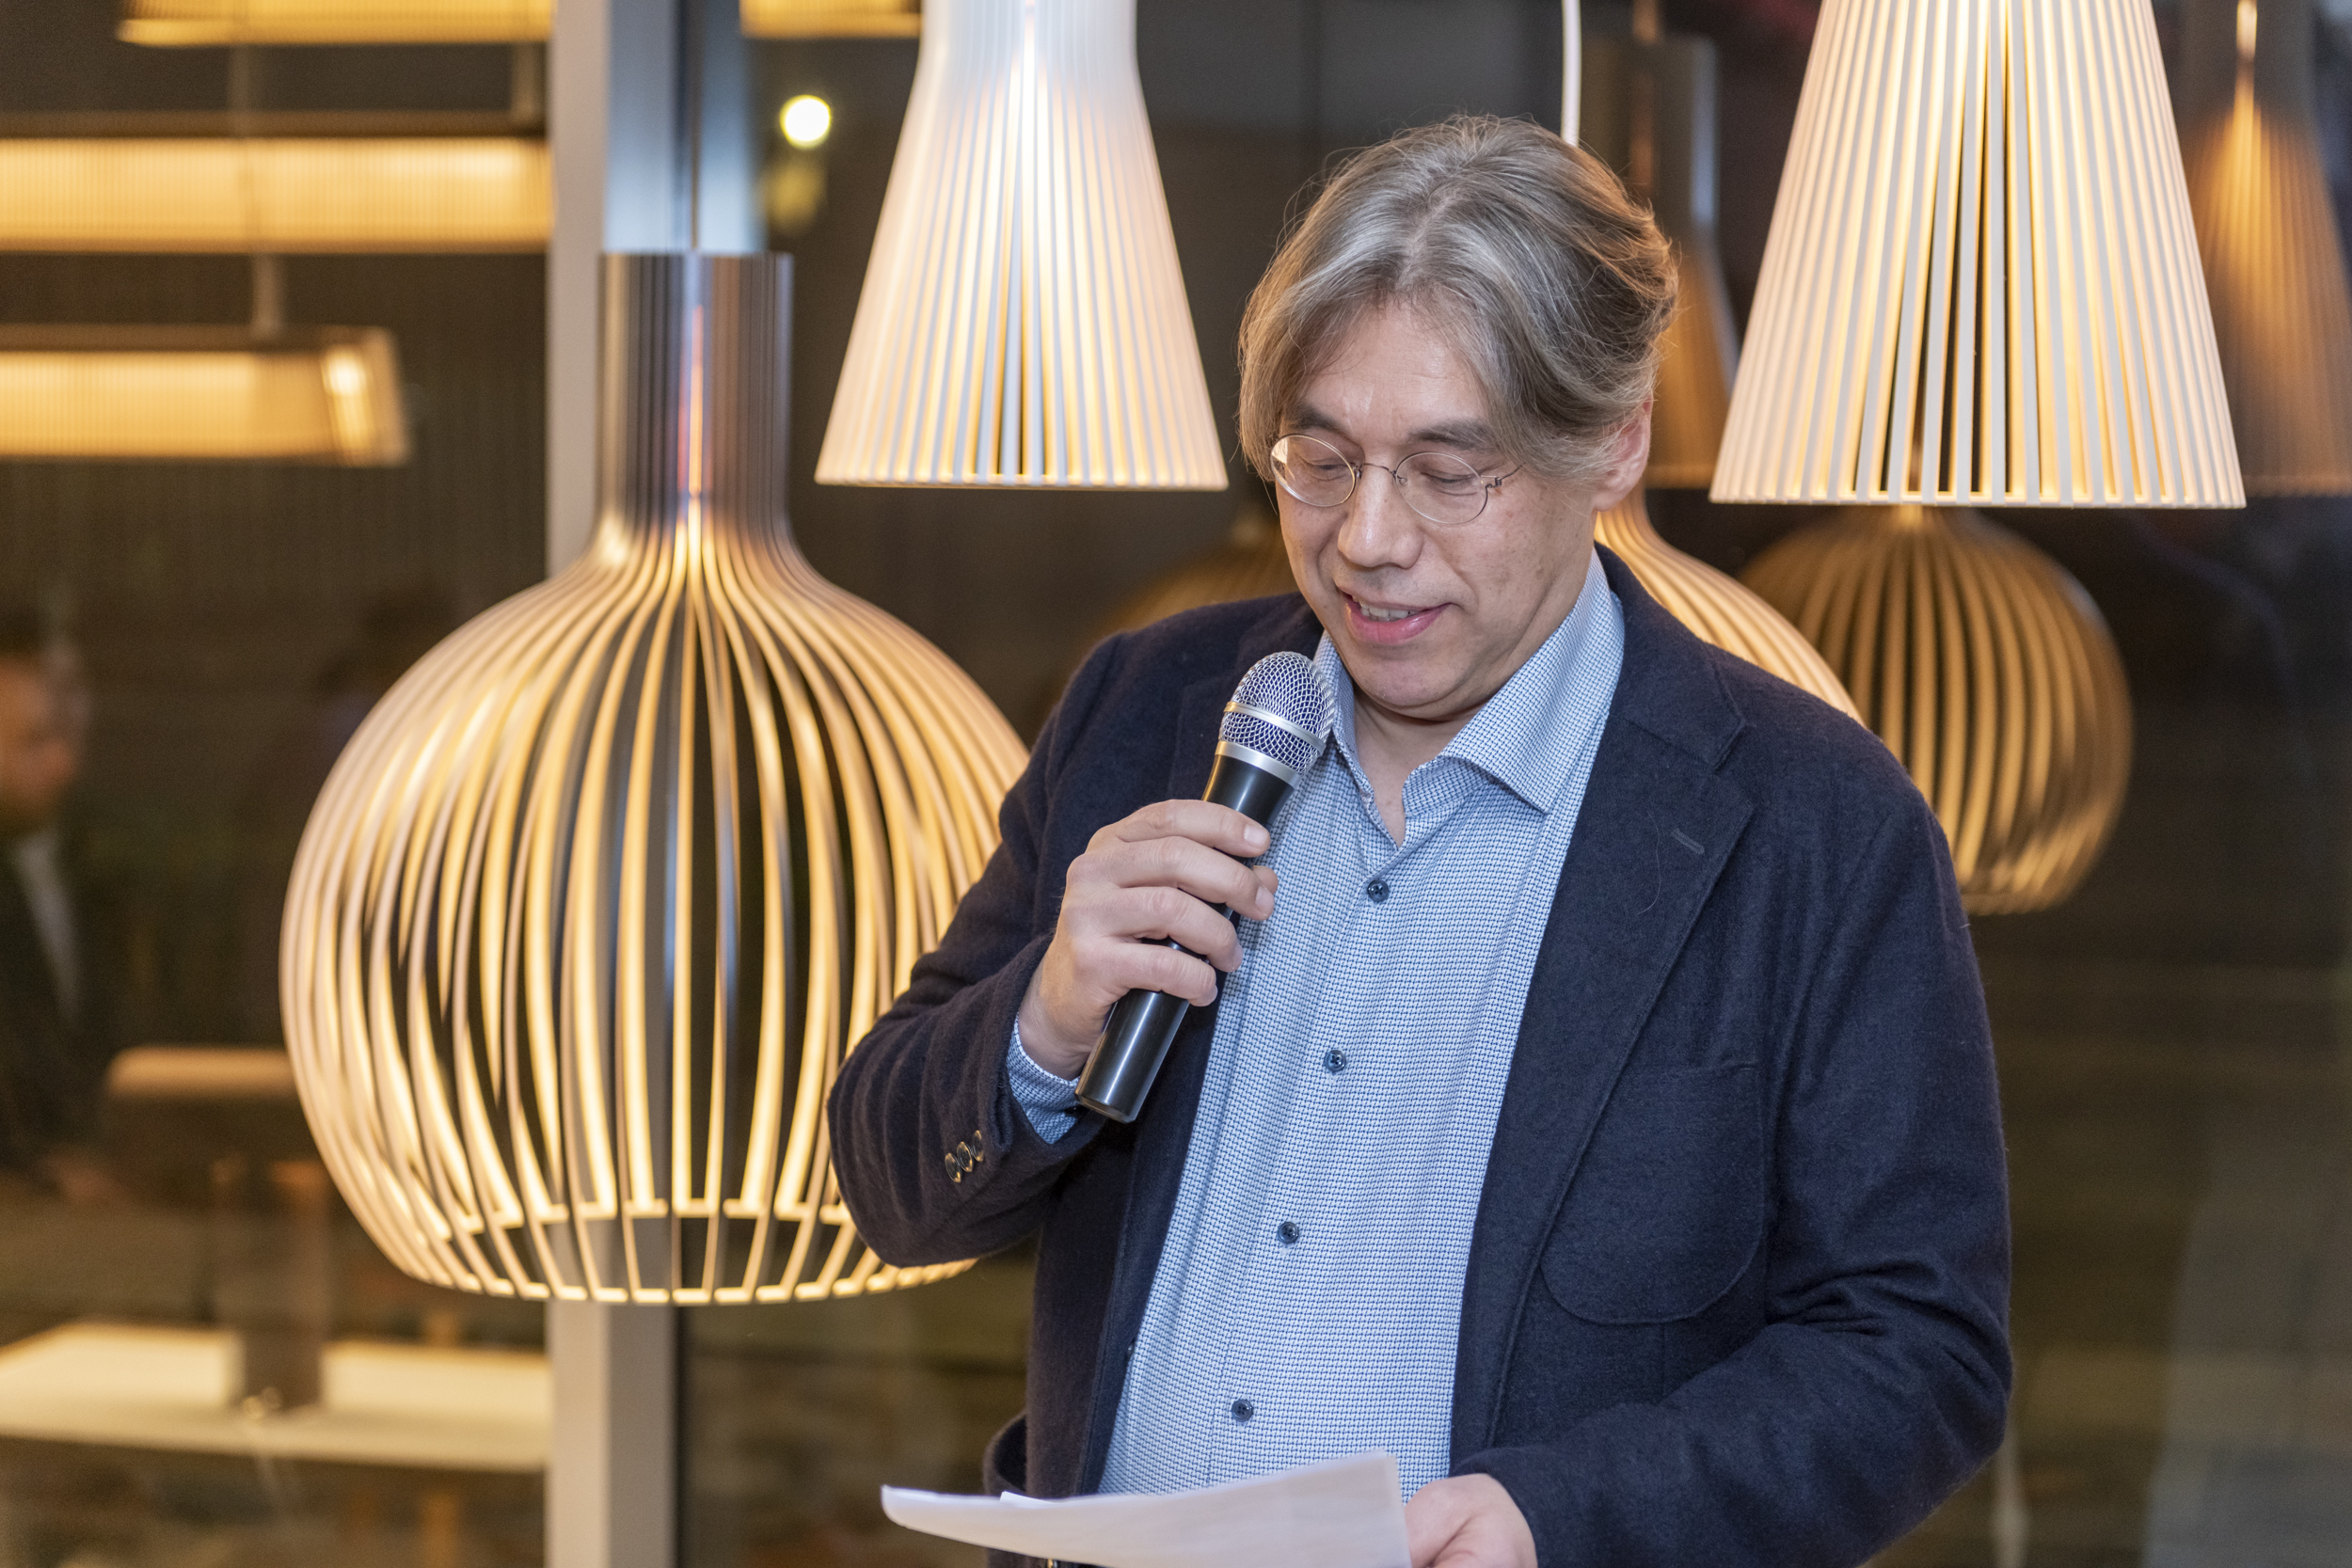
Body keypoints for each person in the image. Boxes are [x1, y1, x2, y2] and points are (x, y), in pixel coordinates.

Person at [829, 116, 2010, 1568]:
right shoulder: (1146, 709)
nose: (1367, 539)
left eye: (1451, 472)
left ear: (1613, 439)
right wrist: (1045, 1023)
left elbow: (1916, 1349)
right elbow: (893, 1178)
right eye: (1319, 459)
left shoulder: (1813, 820)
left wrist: (1560, 1518)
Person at [0, 609, 122, 1200]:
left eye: (69, 736)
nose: (64, 764)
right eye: (33, 741)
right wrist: (35, 1175)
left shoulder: (93, 868)